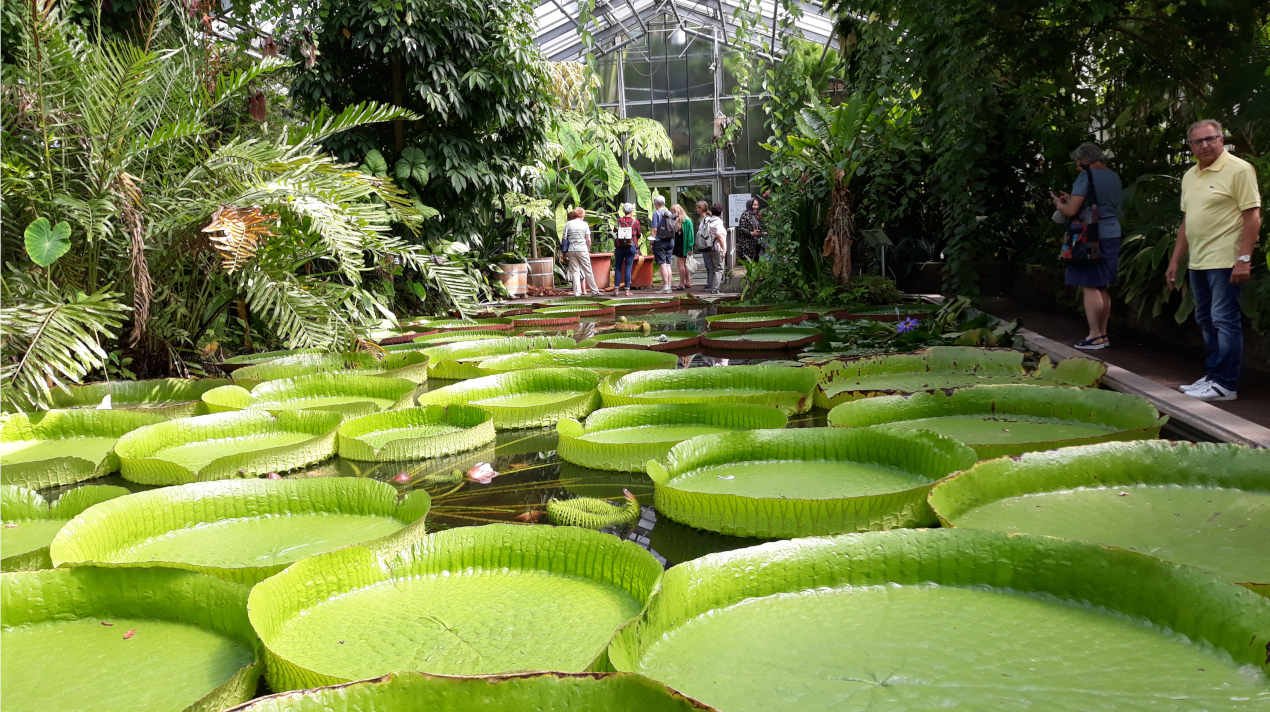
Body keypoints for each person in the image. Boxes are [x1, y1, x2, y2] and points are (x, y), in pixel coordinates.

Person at [1166, 119, 1262, 402]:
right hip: (1198, 261)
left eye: (1211, 139)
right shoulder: (1190, 176)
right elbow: (1187, 221)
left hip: (1225, 259)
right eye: (1198, 141)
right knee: (1205, 319)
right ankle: (1213, 376)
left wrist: (1244, 258)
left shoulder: (1239, 170)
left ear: (1222, 139)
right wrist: (1175, 260)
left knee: (1224, 319)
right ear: (1191, 146)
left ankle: (1225, 384)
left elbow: (1252, 216)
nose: (1205, 145)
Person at [1051, 142, 1123, 351]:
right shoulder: (1113, 176)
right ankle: (1103, 334)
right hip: (1112, 231)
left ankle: (1094, 335)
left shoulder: (1086, 176)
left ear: (1084, 160)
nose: (1076, 165)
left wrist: (1059, 204)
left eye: (1077, 161)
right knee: (1102, 284)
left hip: (1091, 235)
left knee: (1089, 283)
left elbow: (1072, 210)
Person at [561, 207, 602, 297]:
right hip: (582, 249)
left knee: (575, 271)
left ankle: (577, 292)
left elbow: (564, 239)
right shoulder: (584, 224)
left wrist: (564, 252)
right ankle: (594, 291)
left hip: (571, 250)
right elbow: (588, 239)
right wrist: (588, 248)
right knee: (588, 270)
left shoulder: (568, 224)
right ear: (582, 215)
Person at [696, 201, 727, 294]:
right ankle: (715, 289)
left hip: (709, 247)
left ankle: (710, 285)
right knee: (719, 268)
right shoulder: (718, 222)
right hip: (717, 247)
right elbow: (719, 236)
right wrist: (724, 249)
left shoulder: (707, 220)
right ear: (721, 213)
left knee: (711, 268)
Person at [613, 203, 642, 296]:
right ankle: (627, 290)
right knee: (628, 267)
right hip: (631, 246)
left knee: (617, 267)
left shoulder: (619, 220)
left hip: (619, 246)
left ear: (623, 211)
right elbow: (638, 234)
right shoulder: (635, 222)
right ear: (632, 211)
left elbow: (614, 230)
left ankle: (616, 290)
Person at [650, 194, 676, 294]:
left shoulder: (656, 213)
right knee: (668, 263)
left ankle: (665, 286)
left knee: (662, 264)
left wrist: (652, 242)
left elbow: (654, 229)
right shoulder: (669, 212)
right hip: (670, 241)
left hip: (660, 241)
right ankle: (669, 286)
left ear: (656, 204)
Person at [672, 203, 696, 290]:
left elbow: (690, 235)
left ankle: (682, 283)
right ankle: (688, 282)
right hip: (682, 244)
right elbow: (690, 234)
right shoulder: (684, 220)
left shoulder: (684, 221)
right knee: (684, 264)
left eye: (673, 211)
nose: (673, 213)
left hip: (682, 245)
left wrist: (690, 246)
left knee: (681, 264)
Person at [736, 196, 764, 261]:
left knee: (755, 264)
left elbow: (758, 227)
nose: (756, 207)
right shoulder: (745, 215)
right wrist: (751, 233)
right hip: (747, 246)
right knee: (749, 265)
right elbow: (741, 228)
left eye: (757, 205)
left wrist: (761, 232)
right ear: (749, 205)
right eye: (754, 205)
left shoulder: (754, 215)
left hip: (755, 245)